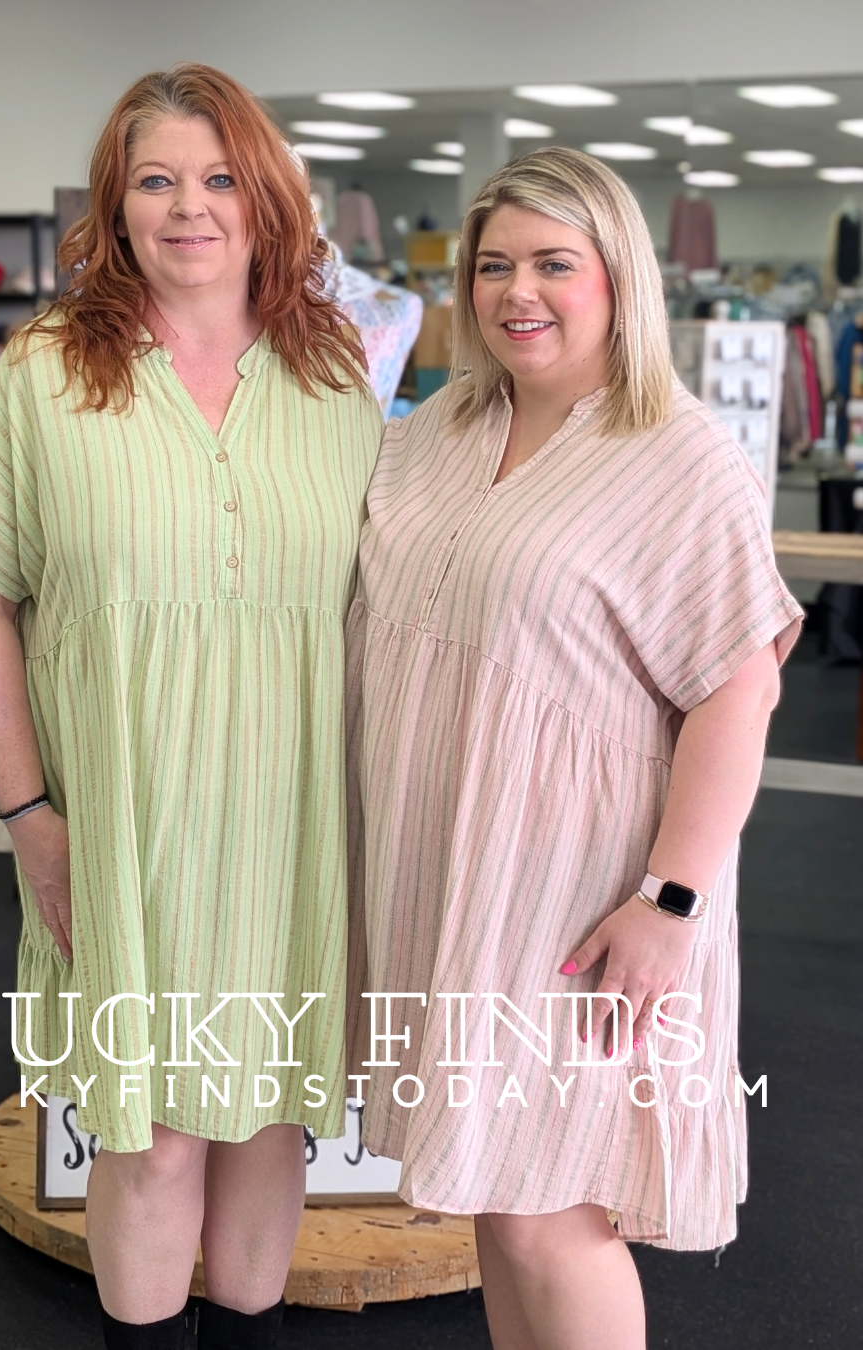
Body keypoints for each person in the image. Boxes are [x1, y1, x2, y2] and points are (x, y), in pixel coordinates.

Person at [0, 63, 381, 1350]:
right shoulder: (45, 372)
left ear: (266, 196)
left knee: (270, 1116)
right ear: (115, 205)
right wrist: (31, 816)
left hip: (294, 822)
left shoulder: (335, 374)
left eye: (221, 177)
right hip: (124, 821)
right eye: (157, 180)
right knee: (156, 1134)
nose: (192, 207)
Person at [345, 146, 803, 1350]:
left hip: (577, 892)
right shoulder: (440, 427)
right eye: (493, 265)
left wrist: (671, 900)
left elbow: (738, 690)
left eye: (554, 263)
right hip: (451, 866)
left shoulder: (677, 453)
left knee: (553, 1211)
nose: (518, 292)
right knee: (503, 1200)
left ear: (618, 277)